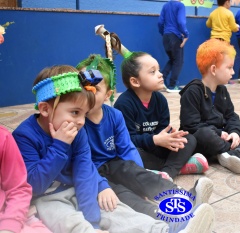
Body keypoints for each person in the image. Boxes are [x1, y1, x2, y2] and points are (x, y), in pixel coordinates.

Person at [11, 65, 180, 233]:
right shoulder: (24, 136)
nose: (81, 121)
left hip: (76, 187)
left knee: (115, 208)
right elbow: (33, 186)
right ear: (45, 109)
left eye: (84, 114)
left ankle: (165, 229)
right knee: (66, 220)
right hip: (47, 198)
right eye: (75, 112)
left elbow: (84, 171)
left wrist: (94, 215)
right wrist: (60, 147)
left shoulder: (78, 132)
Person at [77, 54, 215, 232]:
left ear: (107, 95)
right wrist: (101, 186)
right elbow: (81, 164)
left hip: (117, 164)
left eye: (94, 89)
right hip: (94, 173)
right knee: (126, 198)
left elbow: (127, 148)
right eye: (82, 88)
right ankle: (174, 222)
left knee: (139, 175)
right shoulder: (78, 122)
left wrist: (139, 177)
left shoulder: (114, 116)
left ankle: (186, 198)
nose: (86, 94)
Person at [114, 51, 209, 180]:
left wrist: (170, 137)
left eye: (158, 70)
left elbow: (162, 128)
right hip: (141, 149)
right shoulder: (124, 104)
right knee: (130, 156)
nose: (160, 74)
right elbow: (127, 140)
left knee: (189, 139)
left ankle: (165, 173)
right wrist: (155, 139)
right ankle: (176, 167)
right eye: (152, 72)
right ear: (135, 81)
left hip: (157, 147)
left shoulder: (160, 100)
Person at [179, 39, 240, 174]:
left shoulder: (222, 91)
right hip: (205, 139)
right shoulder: (193, 92)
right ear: (213, 69)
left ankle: (237, 152)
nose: (233, 72)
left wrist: (235, 132)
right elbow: (191, 126)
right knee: (204, 134)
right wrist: (220, 133)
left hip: (223, 136)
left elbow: (232, 116)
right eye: (229, 67)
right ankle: (233, 151)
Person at [0, 125, 52, 233]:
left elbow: (18, 188)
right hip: (45, 199)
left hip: (12, 215)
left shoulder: (3, 137)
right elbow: (36, 185)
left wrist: (9, 225)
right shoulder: (24, 135)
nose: (81, 121)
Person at [158, 0, 189, 93]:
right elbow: (181, 22)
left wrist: (163, 33)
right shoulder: (180, 5)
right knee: (178, 62)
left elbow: (160, 22)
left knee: (172, 59)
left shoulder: (165, 6)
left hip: (166, 36)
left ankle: (162, 79)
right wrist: (186, 34)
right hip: (175, 37)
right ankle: (172, 85)